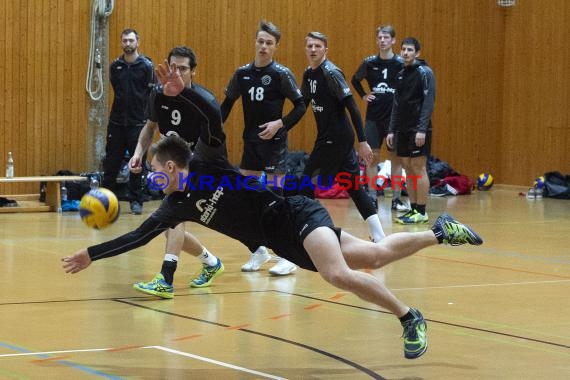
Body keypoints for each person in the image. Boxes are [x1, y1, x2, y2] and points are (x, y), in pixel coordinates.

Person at [62, 60, 483, 359]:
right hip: (284, 241)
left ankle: (410, 318)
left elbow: (212, 119)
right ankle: (440, 231)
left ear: (171, 166)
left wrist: (184, 92)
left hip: (294, 214)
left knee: (339, 274)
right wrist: (91, 255)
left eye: (155, 169)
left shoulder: (209, 165)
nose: (152, 176)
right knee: (374, 255)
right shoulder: (176, 205)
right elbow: (137, 236)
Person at [128, 46, 224, 297]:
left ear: (193, 71)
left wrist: (184, 169)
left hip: (201, 169)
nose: (177, 73)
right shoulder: (158, 95)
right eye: (173, 67)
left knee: (172, 219)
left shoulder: (205, 101)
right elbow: (150, 128)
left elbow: (213, 146)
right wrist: (138, 153)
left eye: (183, 69)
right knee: (170, 223)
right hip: (172, 171)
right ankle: (211, 263)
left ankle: (166, 278)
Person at [221, 20, 306, 276]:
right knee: (247, 199)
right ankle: (259, 250)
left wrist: (280, 124)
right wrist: (211, 131)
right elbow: (225, 106)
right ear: (255, 42)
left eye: (269, 43)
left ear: (275, 47)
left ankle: (289, 255)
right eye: (261, 41)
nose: (264, 47)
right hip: (251, 144)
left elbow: (301, 106)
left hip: (275, 145)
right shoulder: (242, 74)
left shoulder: (281, 74)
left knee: (274, 200)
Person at [299, 32, 384, 243]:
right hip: (331, 137)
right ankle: (380, 235)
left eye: (318, 46)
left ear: (325, 49)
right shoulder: (309, 74)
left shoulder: (331, 73)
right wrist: (281, 125)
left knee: (303, 186)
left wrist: (363, 141)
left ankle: (309, 234)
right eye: (310, 45)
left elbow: (353, 108)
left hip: (335, 138)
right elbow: (302, 106)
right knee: (354, 186)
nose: (313, 49)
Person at [351, 25, 409, 212]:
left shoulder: (401, 63)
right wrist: (363, 95)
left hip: (394, 119)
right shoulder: (369, 63)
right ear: (377, 41)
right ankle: (372, 198)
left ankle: (396, 199)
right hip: (374, 117)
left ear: (393, 40)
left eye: (386, 37)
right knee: (371, 158)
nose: (382, 40)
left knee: (395, 159)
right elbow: (355, 79)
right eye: (379, 38)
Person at [103, 28, 155, 215]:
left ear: (137, 42)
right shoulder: (115, 66)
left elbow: (151, 94)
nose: (127, 44)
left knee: (137, 164)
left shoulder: (147, 67)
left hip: (138, 124)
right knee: (111, 164)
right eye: (124, 40)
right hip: (116, 123)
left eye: (131, 40)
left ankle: (136, 200)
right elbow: (117, 90)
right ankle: (106, 201)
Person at [386, 37, 436, 224]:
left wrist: (422, 129)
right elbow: (396, 104)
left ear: (417, 53)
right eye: (403, 50)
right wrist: (392, 129)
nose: (405, 53)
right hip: (403, 129)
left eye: (409, 50)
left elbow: (428, 102)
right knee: (407, 166)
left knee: (418, 167)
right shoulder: (401, 74)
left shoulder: (425, 73)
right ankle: (413, 208)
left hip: (418, 129)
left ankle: (421, 211)